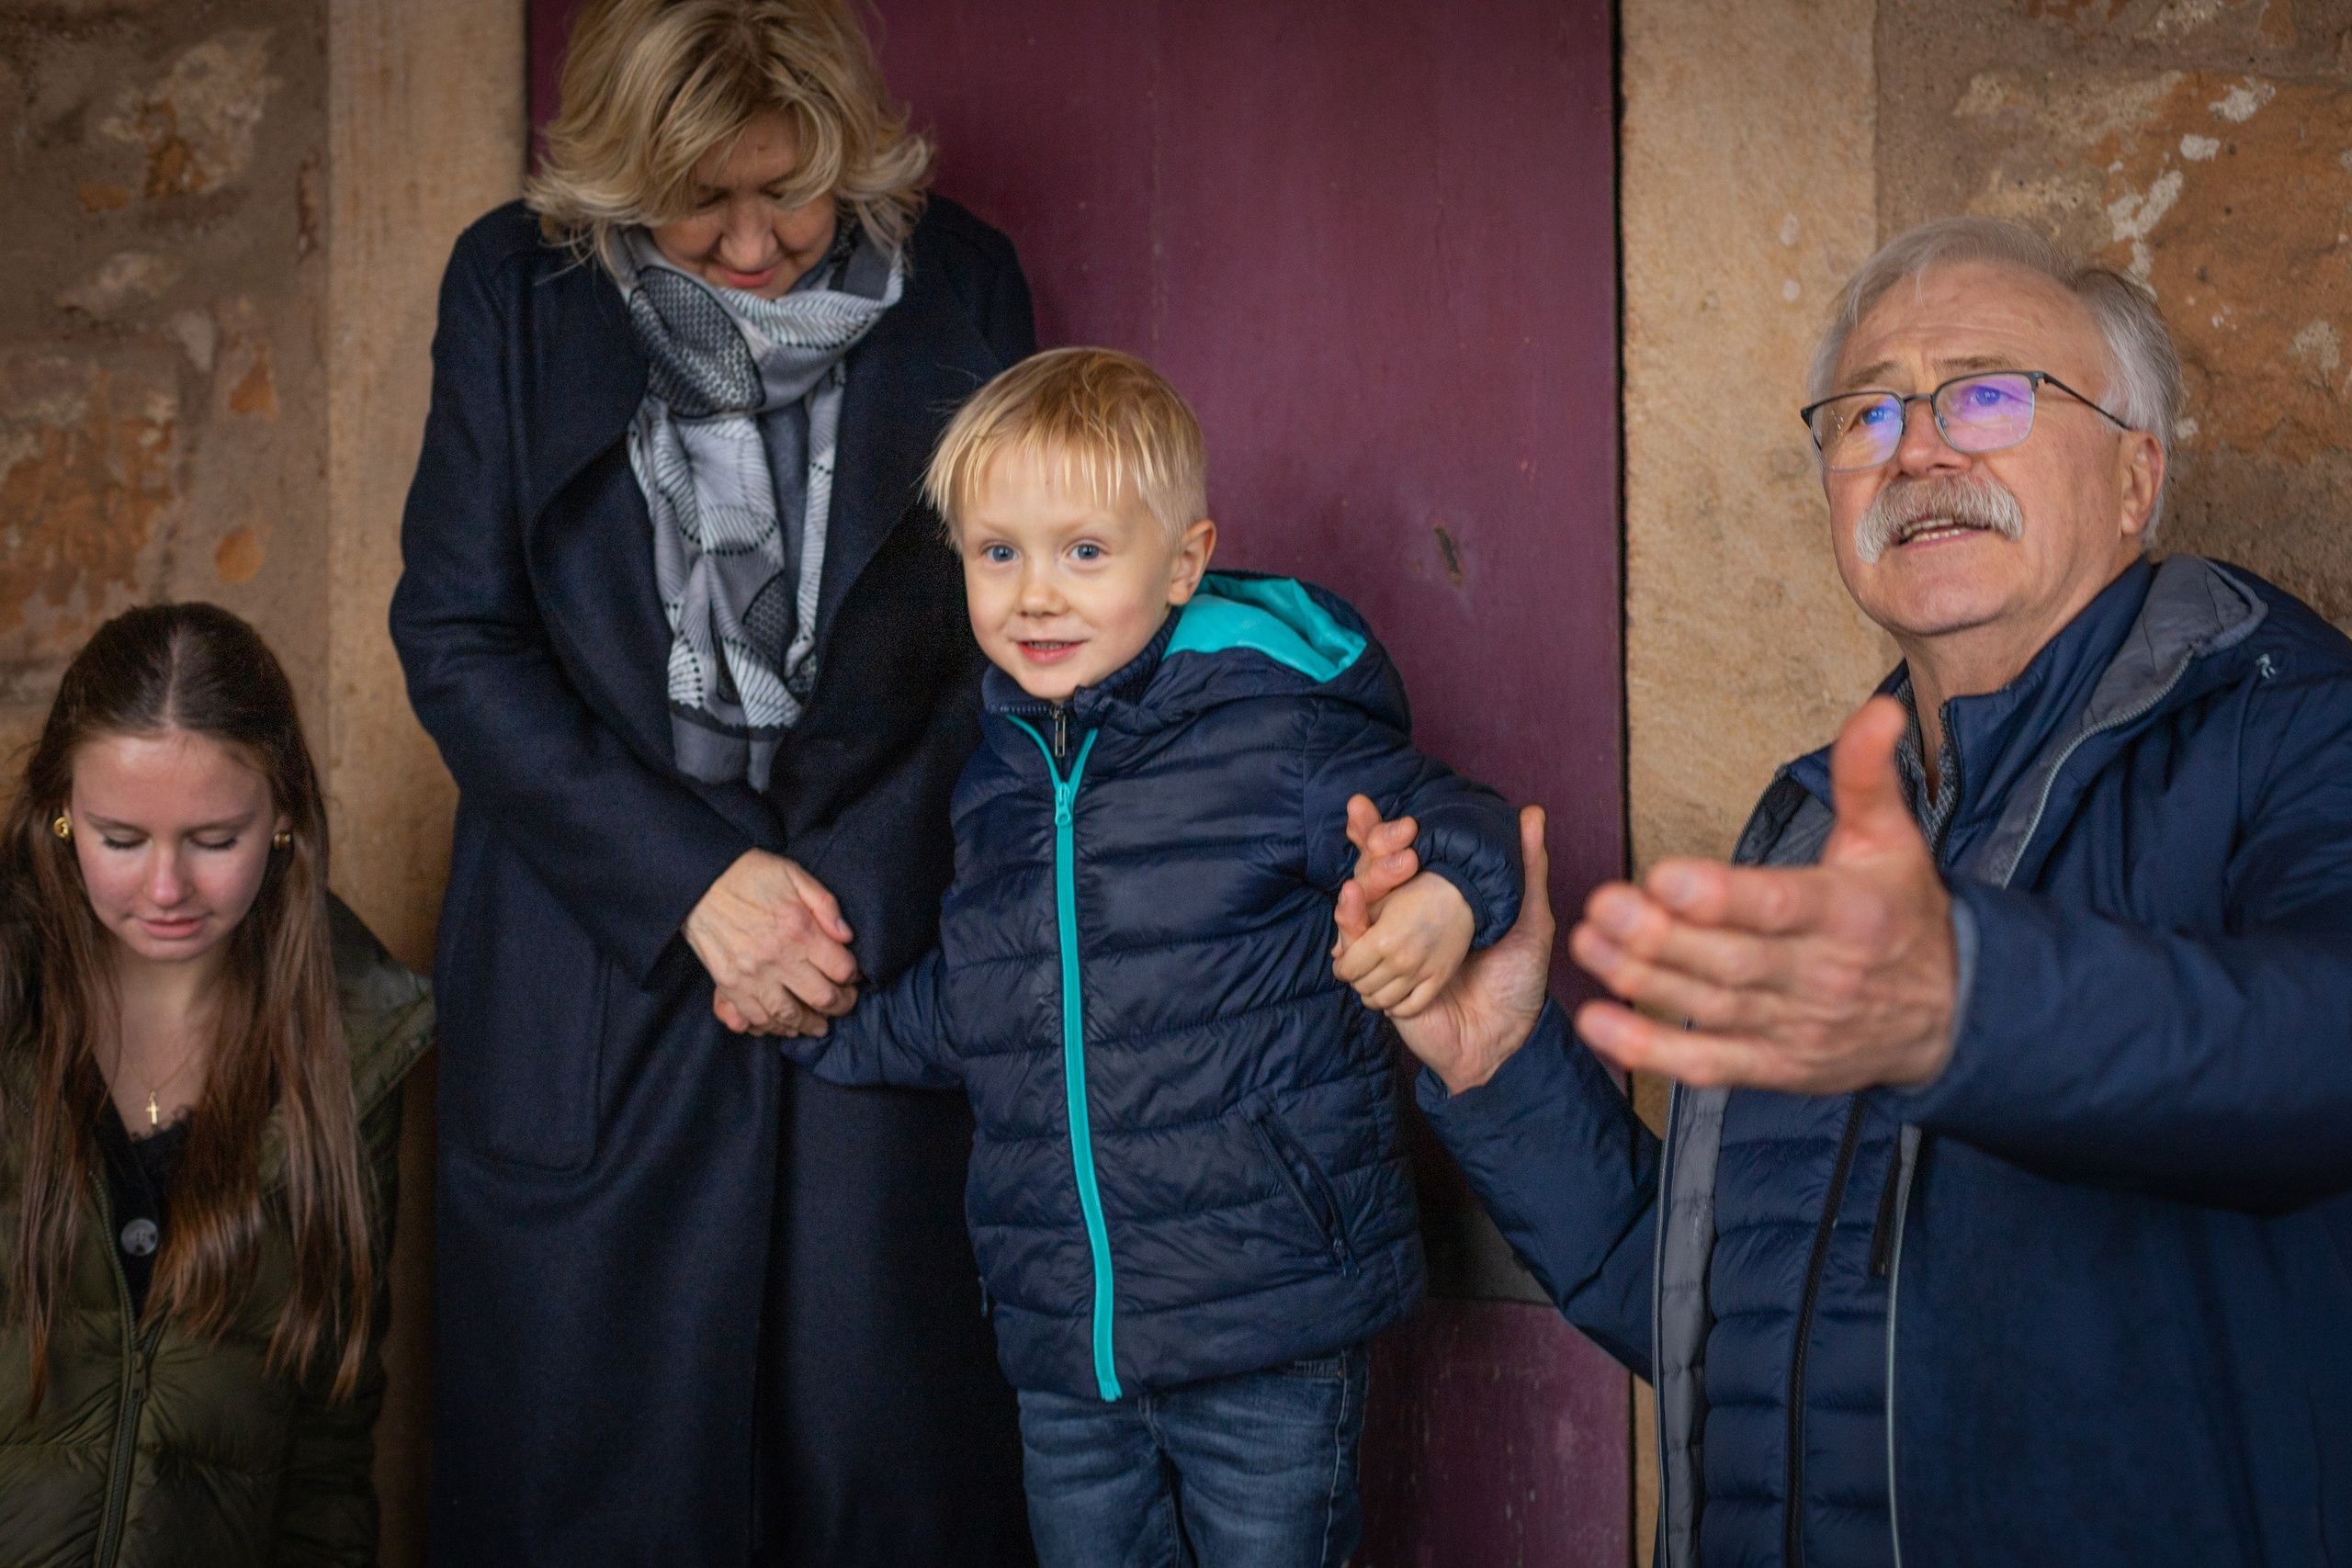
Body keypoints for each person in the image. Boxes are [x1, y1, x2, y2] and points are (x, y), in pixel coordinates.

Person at [1339, 217, 2352, 1567]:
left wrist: (1966, 1003)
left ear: (2135, 476)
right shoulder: (1816, 823)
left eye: (1988, 393)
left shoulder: (2291, 727)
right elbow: (1732, 1330)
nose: (1920, 446)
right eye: (1868, 411)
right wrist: (1505, 1065)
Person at [388, 0, 1038, 1560]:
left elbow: (1005, 649)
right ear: (620, 177)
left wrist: (838, 904)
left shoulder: (965, 280)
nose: (754, 245)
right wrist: (694, 884)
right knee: (595, 1493)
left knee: (887, 1481)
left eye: (794, 191)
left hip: (863, 972)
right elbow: (459, 633)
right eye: (704, 199)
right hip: (595, 984)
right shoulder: (516, 286)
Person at [777, 347, 1523, 1567]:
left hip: (1266, 1314)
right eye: (997, 550)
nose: (1034, 594)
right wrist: (821, 1024)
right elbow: (982, 996)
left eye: (1084, 551)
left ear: (1182, 562)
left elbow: (1470, 824)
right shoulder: (997, 774)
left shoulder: (1272, 730)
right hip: (1069, 1339)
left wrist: (1443, 896)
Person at [0, 603, 433, 1566]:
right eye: (119, 839)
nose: (165, 889)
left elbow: (330, 1443)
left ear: (281, 817)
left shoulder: (355, 1049)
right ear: (61, 813)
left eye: (213, 839)